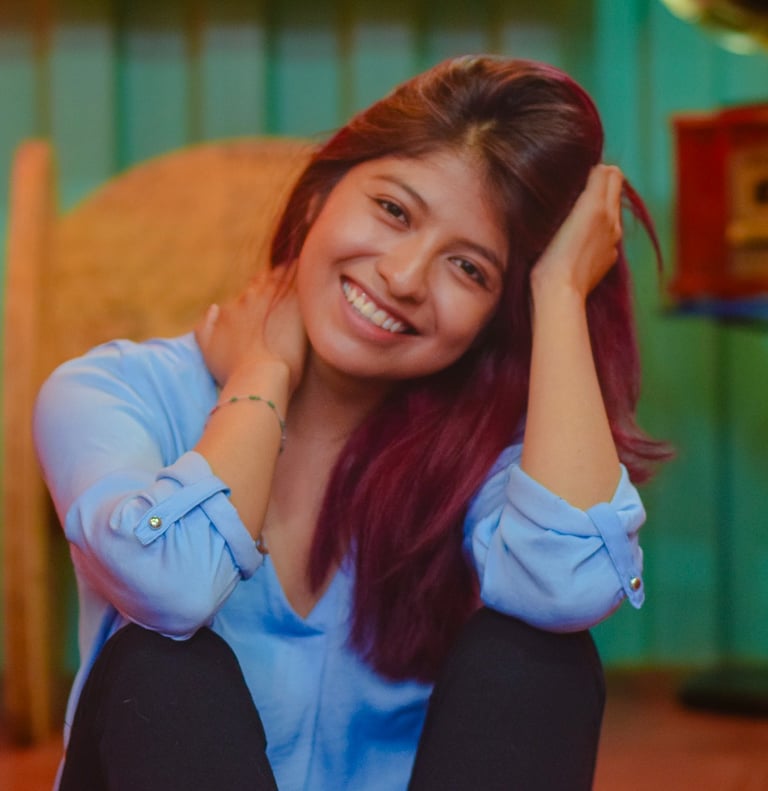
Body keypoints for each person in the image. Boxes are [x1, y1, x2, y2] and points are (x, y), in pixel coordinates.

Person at [34, 54, 670, 790]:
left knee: (538, 656)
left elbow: (571, 587)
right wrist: (264, 372)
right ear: (319, 198)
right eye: (394, 210)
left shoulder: (478, 455)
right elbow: (171, 584)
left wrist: (559, 293)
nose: (403, 276)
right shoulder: (113, 391)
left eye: (469, 269)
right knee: (163, 659)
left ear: (498, 314)